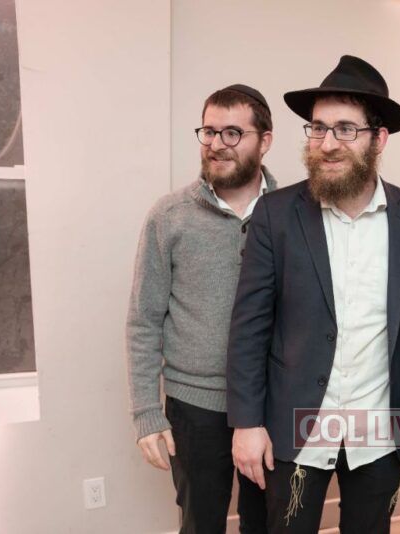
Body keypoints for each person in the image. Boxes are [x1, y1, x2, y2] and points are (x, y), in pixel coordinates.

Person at [226, 55, 400, 533]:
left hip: (381, 430)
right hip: (295, 422)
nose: (328, 143)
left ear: (379, 139)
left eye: (345, 129)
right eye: (318, 128)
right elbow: (249, 326)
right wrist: (246, 424)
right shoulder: (275, 213)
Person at [126, 84, 276, 533]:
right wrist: (146, 412)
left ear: (265, 141)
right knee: (200, 524)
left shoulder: (291, 214)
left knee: (267, 524)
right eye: (209, 132)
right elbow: (143, 320)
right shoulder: (169, 216)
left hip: (270, 402)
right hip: (193, 407)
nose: (216, 144)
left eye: (233, 133)